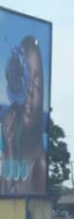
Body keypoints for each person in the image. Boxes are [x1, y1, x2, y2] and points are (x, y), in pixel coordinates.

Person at [1, 36, 47, 196]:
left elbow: (7, 197)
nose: (30, 91)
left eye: (37, 86)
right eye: (25, 81)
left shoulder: (39, 162)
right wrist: (8, 150)